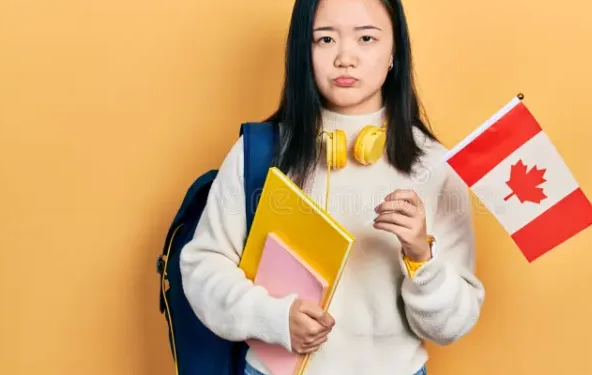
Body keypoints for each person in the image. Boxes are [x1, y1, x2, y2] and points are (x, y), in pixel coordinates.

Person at [179, 0, 485, 374]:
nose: (345, 57)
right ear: (302, 53)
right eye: (324, 39)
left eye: (366, 38)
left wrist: (421, 257)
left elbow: (451, 326)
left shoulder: (434, 166)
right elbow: (202, 267)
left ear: (394, 53)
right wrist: (273, 318)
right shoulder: (259, 152)